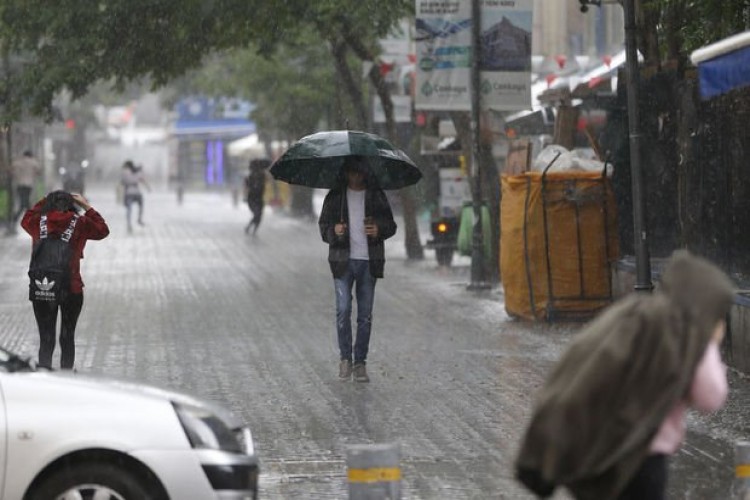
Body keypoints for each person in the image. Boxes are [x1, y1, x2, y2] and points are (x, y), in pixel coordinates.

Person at [515, 250, 734, 500]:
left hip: (602, 451)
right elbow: (711, 396)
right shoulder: (683, 334)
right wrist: (710, 345)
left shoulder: (634, 315)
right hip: (642, 458)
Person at [318, 157, 397, 383]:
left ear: (365, 173)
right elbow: (323, 228)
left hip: (368, 262)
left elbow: (391, 225)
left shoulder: (376, 195)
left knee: (365, 316)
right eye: (352, 173)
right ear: (346, 173)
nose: (355, 178)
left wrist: (378, 230)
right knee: (343, 311)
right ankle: (345, 358)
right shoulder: (335, 197)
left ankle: (360, 362)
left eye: (359, 173)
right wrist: (335, 230)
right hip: (342, 261)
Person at [21, 190, 110, 370]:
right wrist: (86, 206)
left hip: (43, 287)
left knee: (46, 339)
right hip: (71, 288)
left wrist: (45, 198)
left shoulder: (37, 222)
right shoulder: (81, 223)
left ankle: (44, 377)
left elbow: (26, 217)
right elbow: (102, 230)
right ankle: (66, 378)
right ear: (71, 205)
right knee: (67, 337)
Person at [12, 150, 42, 226]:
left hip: (20, 185)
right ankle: (32, 218)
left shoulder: (19, 161)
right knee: (25, 203)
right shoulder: (33, 162)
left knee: (24, 202)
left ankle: (15, 219)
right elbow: (39, 171)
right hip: (29, 185)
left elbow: (12, 168)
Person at [121, 160, 150, 233]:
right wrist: (148, 187)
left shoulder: (125, 172)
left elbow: (123, 182)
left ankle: (129, 223)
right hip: (137, 192)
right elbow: (143, 180)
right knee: (141, 205)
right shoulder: (138, 172)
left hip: (129, 192)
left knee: (129, 209)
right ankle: (139, 219)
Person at [244, 159, 269, 235]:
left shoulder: (261, 175)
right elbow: (249, 186)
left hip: (257, 198)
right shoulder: (253, 176)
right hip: (253, 198)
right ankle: (251, 228)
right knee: (257, 214)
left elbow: (249, 186)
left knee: (258, 215)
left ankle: (252, 229)